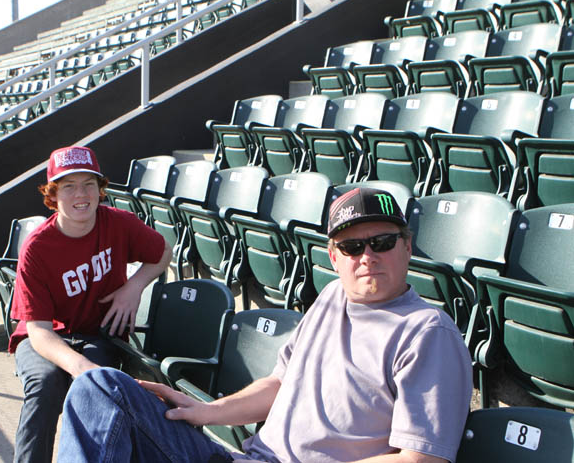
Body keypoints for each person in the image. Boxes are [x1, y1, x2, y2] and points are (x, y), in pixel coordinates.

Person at [56, 187, 473, 463]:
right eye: (351, 247)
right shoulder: (332, 297)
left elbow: (423, 458)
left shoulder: (426, 332)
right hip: (248, 457)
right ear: (333, 257)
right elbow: (279, 384)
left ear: (407, 246)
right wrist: (207, 412)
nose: (367, 257)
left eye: (382, 242)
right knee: (99, 387)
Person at [8, 145, 172, 463]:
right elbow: (39, 331)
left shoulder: (119, 223)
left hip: (98, 333)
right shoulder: (37, 247)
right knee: (44, 386)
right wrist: (80, 367)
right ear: (53, 195)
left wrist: (134, 287)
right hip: (45, 337)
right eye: (69, 186)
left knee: (95, 393)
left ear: (100, 189)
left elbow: (163, 252)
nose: (80, 194)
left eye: (88, 184)